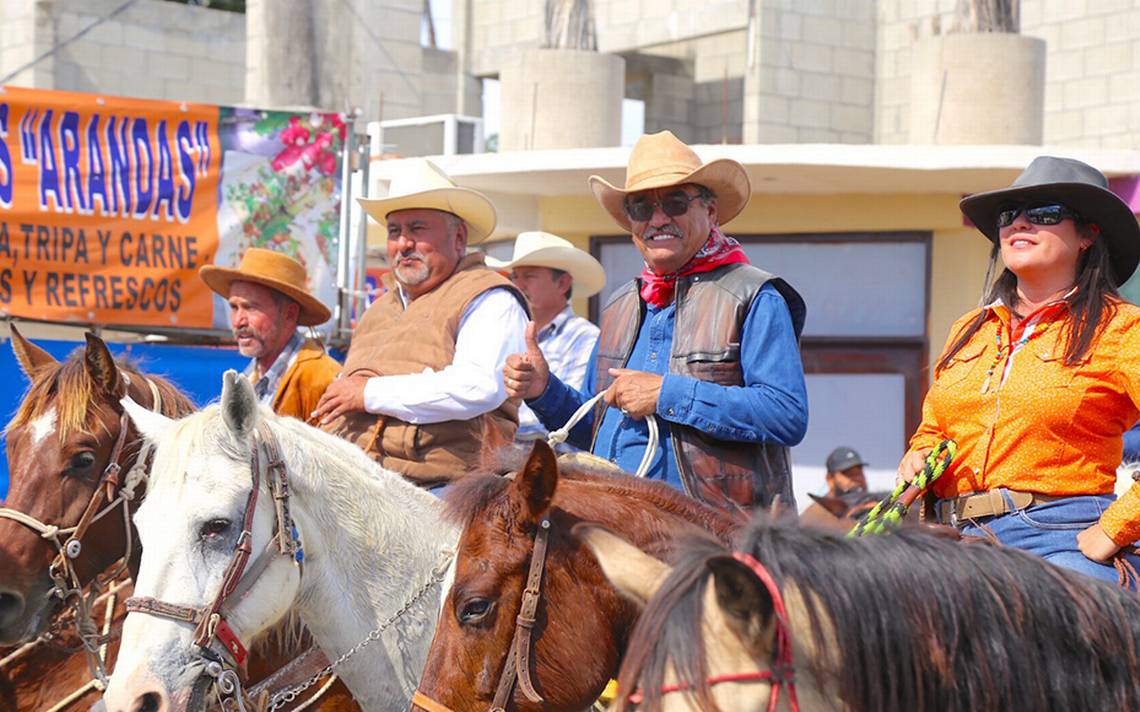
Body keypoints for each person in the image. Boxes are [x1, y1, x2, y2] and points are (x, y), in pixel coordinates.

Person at [503, 130, 808, 512]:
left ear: (710, 212)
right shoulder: (621, 305)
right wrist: (543, 390)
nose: (658, 219)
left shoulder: (755, 295)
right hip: (621, 523)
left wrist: (667, 395)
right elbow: (594, 430)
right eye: (641, 208)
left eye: (675, 202)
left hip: (716, 536)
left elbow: (786, 415)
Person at [897, 156, 1140, 585]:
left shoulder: (1122, 328)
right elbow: (935, 429)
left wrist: (1114, 529)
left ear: (1087, 235)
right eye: (1009, 216)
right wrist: (918, 455)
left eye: (1044, 213)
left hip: (1061, 536)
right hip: (952, 537)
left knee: (1071, 630)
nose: (1019, 224)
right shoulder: (969, 329)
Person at [312, 158, 529, 488]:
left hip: (444, 491)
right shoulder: (379, 309)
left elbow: (478, 387)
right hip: (355, 483)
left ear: (458, 238)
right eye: (394, 232)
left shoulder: (488, 297)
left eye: (417, 229)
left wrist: (368, 392)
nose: (403, 244)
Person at [486, 231, 604, 442]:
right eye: (515, 277)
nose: (518, 285)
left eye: (529, 276)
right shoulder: (506, 332)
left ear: (562, 284)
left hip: (551, 463)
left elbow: (574, 419)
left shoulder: (585, 338)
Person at [199, 248, 340, 421]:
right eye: (234, 307)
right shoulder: (251, 376)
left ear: (290, 314)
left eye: (251, 307)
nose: (238, 321)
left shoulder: (322, 378)